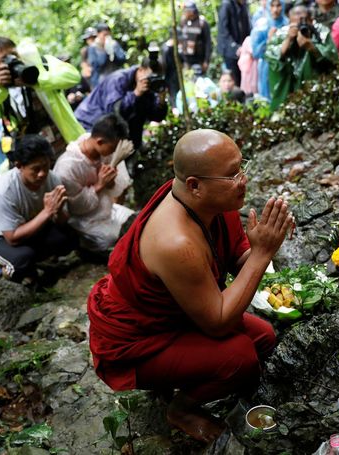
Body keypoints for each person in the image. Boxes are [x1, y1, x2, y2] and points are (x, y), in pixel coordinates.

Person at [87, 129, 293, 442]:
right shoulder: (175, 241)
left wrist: (264, 242)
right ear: (195, 185)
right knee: (240, 357)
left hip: (180, 312)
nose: (243, 180)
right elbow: (218, 324)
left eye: (242, 167)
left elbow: (237, 257)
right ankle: (180, 409)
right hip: (139, 339)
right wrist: (263, 254)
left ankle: (183, 374)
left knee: (263, 337)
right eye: (232, 175)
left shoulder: (206, 202)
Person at [0, 135, 77, 284]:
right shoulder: (3, 191)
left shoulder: (52, 179)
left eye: (46, 166)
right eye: (35, 169)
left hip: (25, 226)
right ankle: (6, 273)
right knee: (20, 261)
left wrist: (57, 211)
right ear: (19, 166)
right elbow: (12, 238)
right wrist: (47, 212)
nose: (42, 174)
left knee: (68, 237)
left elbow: (62, 221)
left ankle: (34, 265)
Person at [0, 36, 85, 160]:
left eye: (14, 54)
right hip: (33, 160)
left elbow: (73, 76)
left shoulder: (40, 64)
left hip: (67, 148)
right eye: (4, 59)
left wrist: (37, 79)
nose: (13, 60)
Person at [54, 114, 135, 253]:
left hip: (109, 211)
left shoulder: (108, 152)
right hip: (85, 221)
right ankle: (83, 247)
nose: (115, 152)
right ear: (100, 141)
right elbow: (76, 208)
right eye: (113, 148)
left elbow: (117, 190)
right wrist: (99, 185)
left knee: (137, 222)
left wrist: (110, 183)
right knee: (109, 239)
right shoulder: (67, 167)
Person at [74, 60, 168, 151]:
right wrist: (136, 93)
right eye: (151, 77)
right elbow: (115, 113)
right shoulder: (118, 80)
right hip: (89, 124)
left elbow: (156, 117)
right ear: (140, 70)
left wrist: (161, 101)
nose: (153, 80)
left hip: (112, 133)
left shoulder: (149, 87)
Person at [265, 3, 337, 110]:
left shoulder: (321, 33)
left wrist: (312, 47)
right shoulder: (281, 34)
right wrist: (288, 40)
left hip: (315, 90)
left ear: (311, 20)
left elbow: (333, 60)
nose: (300, 25)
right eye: (296, 21)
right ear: (289, 20)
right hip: (288, 92)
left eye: (304, 20)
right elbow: (271, 58)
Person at [251, 0, 288, 100]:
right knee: (267, 99)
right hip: (266, 68)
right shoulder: (261, 26)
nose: (275, 10)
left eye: (278, 5)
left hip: (284, 67)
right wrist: (268, 40)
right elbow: (255, 53)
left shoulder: (287, 24)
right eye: (272, 6)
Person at [217, 0, 251, 86]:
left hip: (242, 50)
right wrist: (235, 47)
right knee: (233, 79)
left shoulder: (243, 6)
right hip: (230, 51)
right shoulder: (227, 5)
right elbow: (223, 31)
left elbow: (247, 27)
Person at [87, 23, 127, 89]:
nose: (107, 38)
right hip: (101, 84)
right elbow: (96, 66)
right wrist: (104, 50)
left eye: (108, 35)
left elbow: (122, 59)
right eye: (104, 35)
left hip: (116, 80)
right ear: (98, 34)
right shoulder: (93, 47)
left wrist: (112, 51)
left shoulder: (114, 44)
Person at [177, 2, 212, 74]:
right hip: (186, 58)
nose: (184, 13)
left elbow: (208, 43)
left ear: (192, 11)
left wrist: (206, 60)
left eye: (186, 11)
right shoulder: (183, 21)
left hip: (199, 58)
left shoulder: (202, 22)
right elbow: (180, 38)